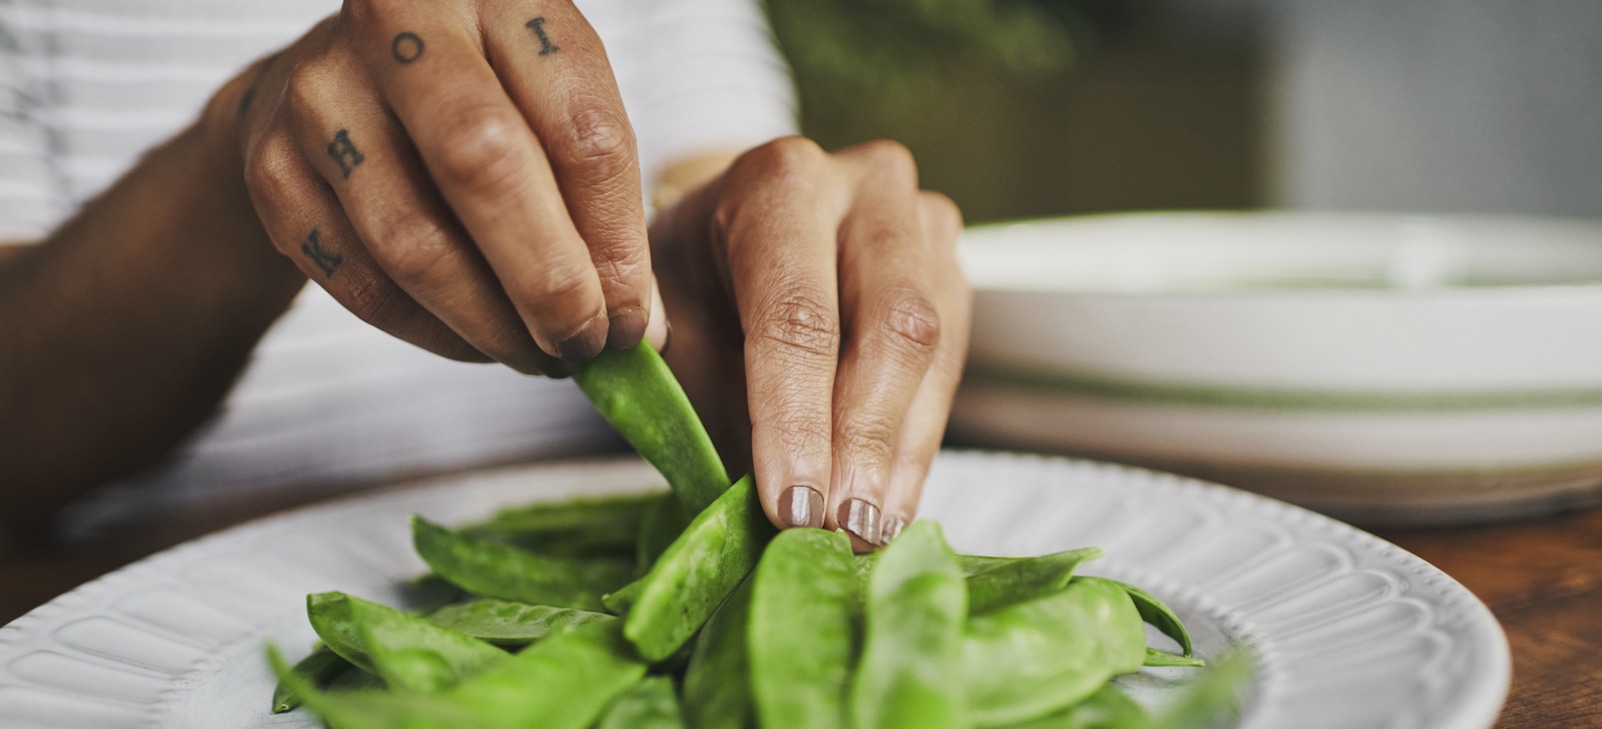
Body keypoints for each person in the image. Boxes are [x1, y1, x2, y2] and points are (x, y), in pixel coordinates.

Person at [0, 0, 970, 552]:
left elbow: (710, 175)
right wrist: (237, 154)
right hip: (116, 607)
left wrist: (737, 265)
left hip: (601, 539)